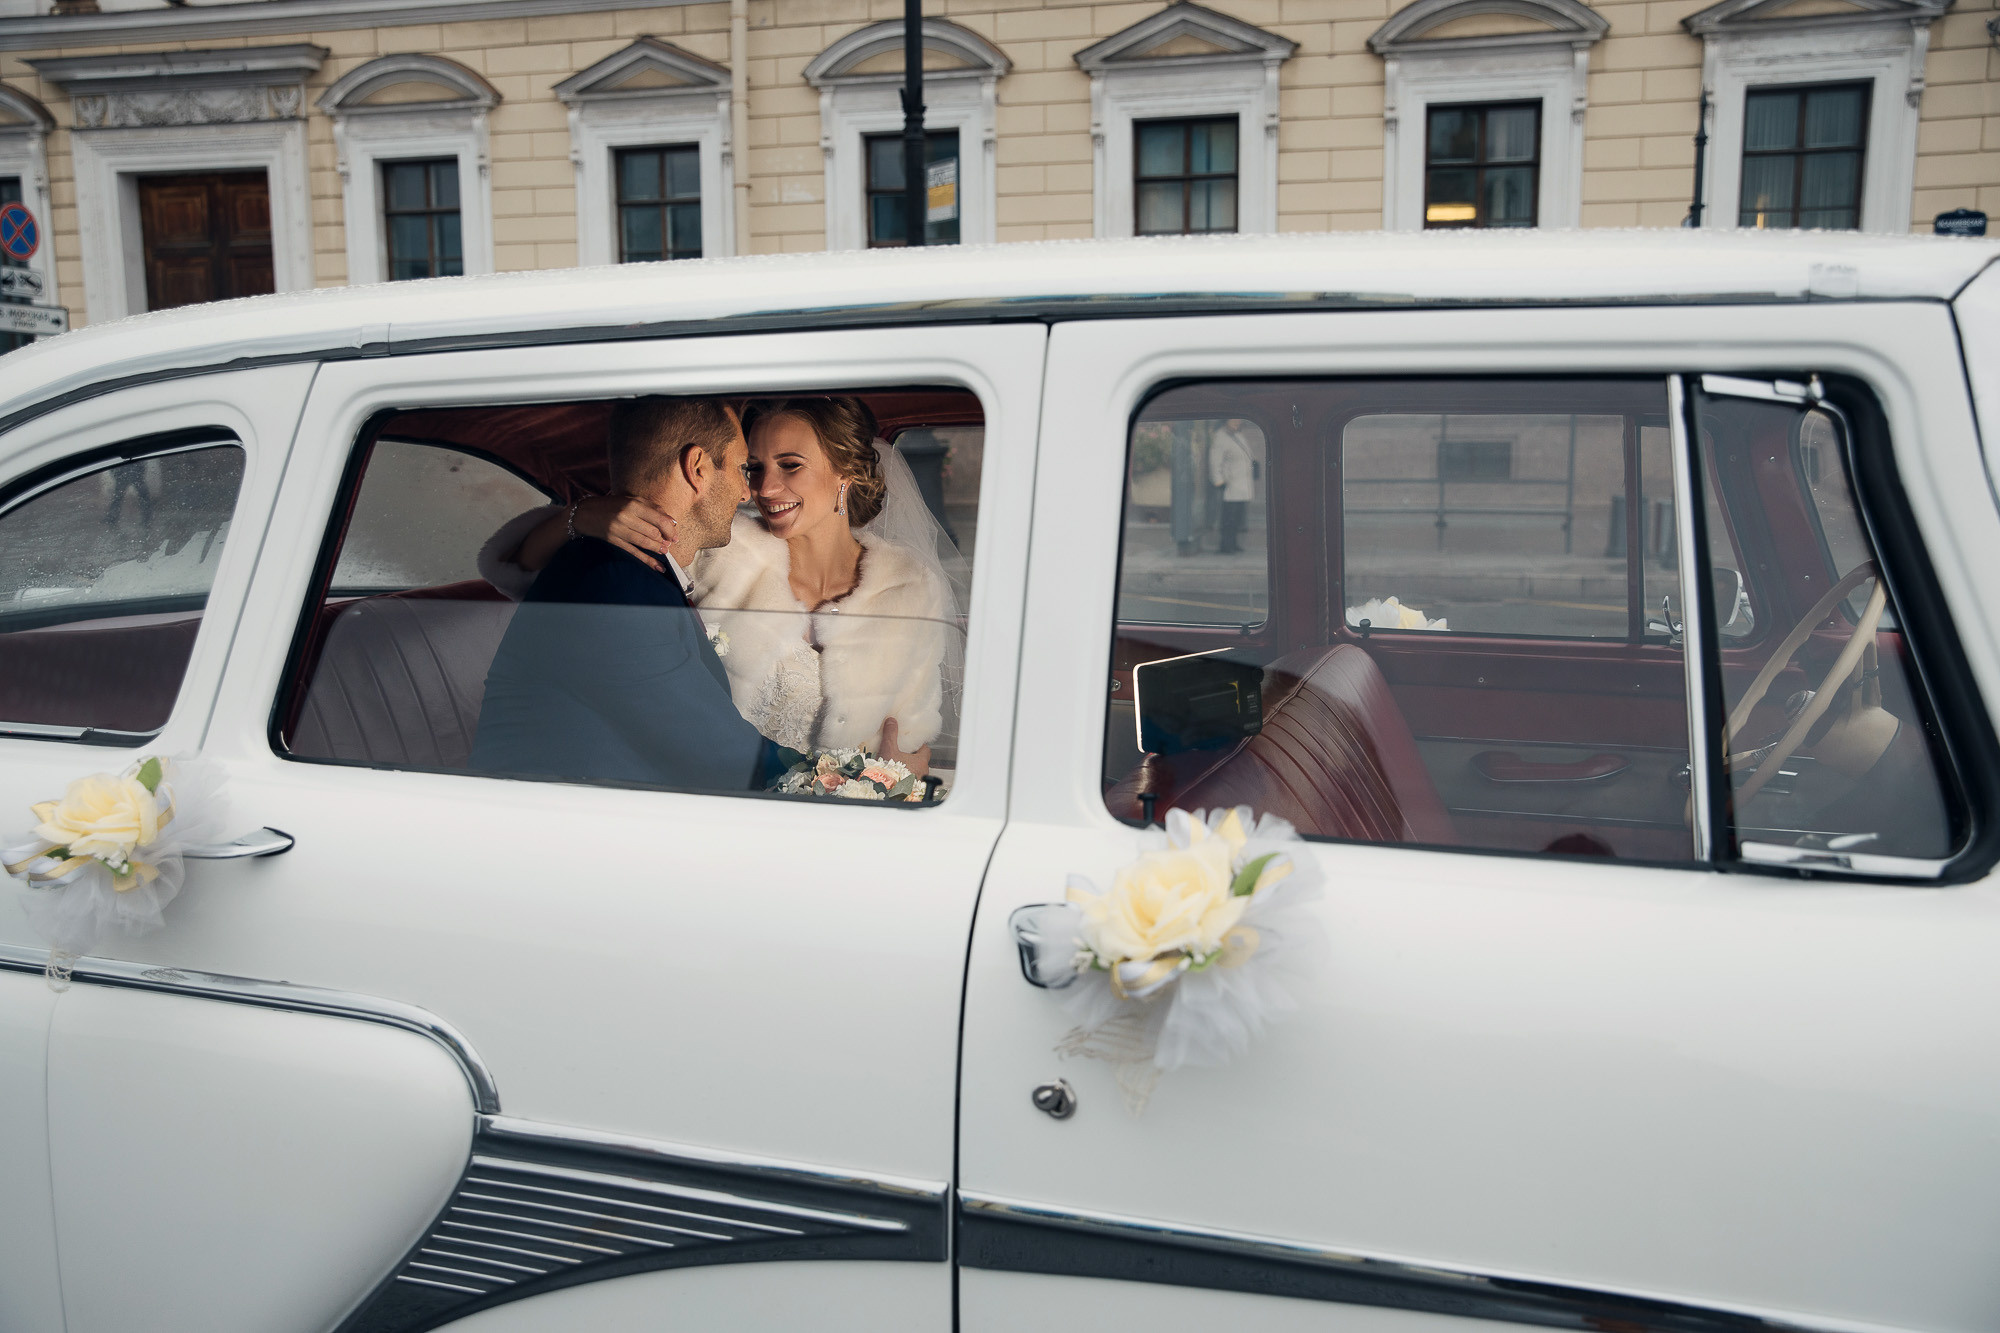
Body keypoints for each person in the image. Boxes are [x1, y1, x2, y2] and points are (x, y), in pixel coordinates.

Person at [479, 396, 962, 761]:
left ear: (845, 472)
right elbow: (535, 576)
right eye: (753, 468)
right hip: (721, 800)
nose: (765, 489)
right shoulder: (721, 548)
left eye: (790, 466)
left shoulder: (909, 585)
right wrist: (581, 517)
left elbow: (909, 740)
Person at [469, 395, 794, 791]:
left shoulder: (622, 572)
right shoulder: (614, 586)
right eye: (743, 469)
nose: (747, 493)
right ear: (697, 469)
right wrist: (870, 780)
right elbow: (727, 759)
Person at [1209, 419, 1255, 555]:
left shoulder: (1238, 435)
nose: (1237, 423)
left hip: (1242, 484)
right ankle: (1226, 545)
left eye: (1238, 421)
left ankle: (1233, 543)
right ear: (1225, 421)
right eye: (1233, 421)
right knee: (1228, 518)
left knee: (1236, 518)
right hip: (1230, 485)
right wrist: (1219, 481)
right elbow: (1215, 461)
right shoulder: (1220, 437)